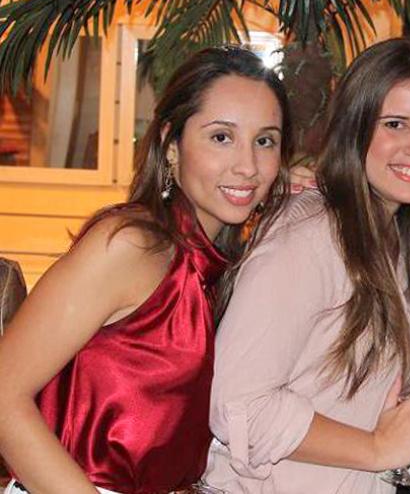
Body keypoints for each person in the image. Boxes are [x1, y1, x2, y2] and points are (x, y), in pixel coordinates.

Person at [0, 46, 293, 494]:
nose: (248, 166)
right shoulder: (131, 247)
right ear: (172, 146)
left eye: (265, 141)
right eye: (221, 137)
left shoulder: (223, 269)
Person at [203, 38, 410, 494]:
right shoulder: (310, 234)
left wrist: (391, 402)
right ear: (355, 127)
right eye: (395, 124)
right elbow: (239, 407)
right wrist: (377, 446)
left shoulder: (393, 235)